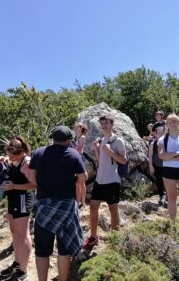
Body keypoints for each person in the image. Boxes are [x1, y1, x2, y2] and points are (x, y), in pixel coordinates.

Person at [28, 126, 87, 281]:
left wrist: (41, 186)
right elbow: (83, 177)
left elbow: (30, 176)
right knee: (64, 248)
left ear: (52, 138)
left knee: (41, 250)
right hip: (66, 207)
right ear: (68, 140)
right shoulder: (73, 154)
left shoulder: (39, 153)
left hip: (44, 208)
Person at [84, 114, 127, 250]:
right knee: (93, 207)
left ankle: (115, 239)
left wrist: (109, 151)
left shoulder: (118, 140)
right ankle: (93, 237)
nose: (104, 126)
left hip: (112, 180)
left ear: (112, 124)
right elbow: (102, 160)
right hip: (100, 179)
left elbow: (123, 160)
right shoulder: (102, 139)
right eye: (102, 124)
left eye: (106, 123)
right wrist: (97, 149)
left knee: (113, 209)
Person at [0, 136, 36, 281]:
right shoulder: (14, 160)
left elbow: (35, 185)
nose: (10, 156)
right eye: (8, 153)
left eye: (13, 154)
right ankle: (17, 262)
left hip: (22, 199)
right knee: (15, 232)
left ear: (21, 152)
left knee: (23, 234)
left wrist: (14, 186)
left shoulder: (26, 163)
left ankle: (23, 271)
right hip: (13, 198)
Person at [148, 126, 166, 206]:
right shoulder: (153, 143)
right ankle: (161, 196)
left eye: (162, 133)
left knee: (167, 181)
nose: (160, 135)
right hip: (157, 165)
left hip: (167, 165)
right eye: (158, 133)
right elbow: (150, 156)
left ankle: (168, 197)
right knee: (159, 181)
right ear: (155, 134)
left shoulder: (168, 143)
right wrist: (151, 166)